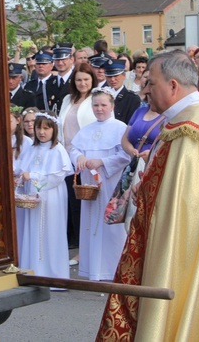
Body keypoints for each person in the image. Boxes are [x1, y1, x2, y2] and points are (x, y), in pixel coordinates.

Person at [97, 51, 199, 341]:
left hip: (181, 253)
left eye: (151, 83)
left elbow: (182, 211)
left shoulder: (190, 132)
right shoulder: (184, 121)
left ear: (172, 86)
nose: (145, 91)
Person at [69, 87, 131, 281]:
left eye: (104, 105)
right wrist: (79, 157)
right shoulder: (87, 129)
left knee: (110, 226)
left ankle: (112, 268)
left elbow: (126, 155)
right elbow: (74, 149)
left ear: (112, 106)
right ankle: (92, 268)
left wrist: (103, 162)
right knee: (90, 225)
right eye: (96, 105)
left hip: (110, 184)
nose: (99, 109)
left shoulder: (120, 128)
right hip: (89, 186)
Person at [14, 112, 72, 280]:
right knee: (33, 231)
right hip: (32, 196)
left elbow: (57, 176)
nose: (42, 132)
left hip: (51, 197)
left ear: (54, 130)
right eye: (39, 127)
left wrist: (33, 177)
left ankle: (52, 273)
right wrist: (21, 176)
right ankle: (33, 270)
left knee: (50, 231)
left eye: (46, 128)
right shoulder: (33, 148)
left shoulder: (58, 150)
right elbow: (23, 168)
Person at [58, 63, 98, 255]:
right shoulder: (68, 99)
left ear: (92, 80)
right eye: (79, 80)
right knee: (72, 203)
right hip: (66, 158)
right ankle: (75, 244)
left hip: (86, 159)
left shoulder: (96, 99)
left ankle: (86, 250)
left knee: (86, 204)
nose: (82, 83)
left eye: (86, 79)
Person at [103, 59, 142, 124]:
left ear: (124, 76)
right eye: (109, 76)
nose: (113, 79)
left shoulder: (132, 99)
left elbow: (131, 124)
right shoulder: (101, 96)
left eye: (116, 76)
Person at [52, 42, 75, 108]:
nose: (60, 63)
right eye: (57, 59)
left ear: (71, 59)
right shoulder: (49, 83)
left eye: (63, 59)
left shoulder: (76, 81)